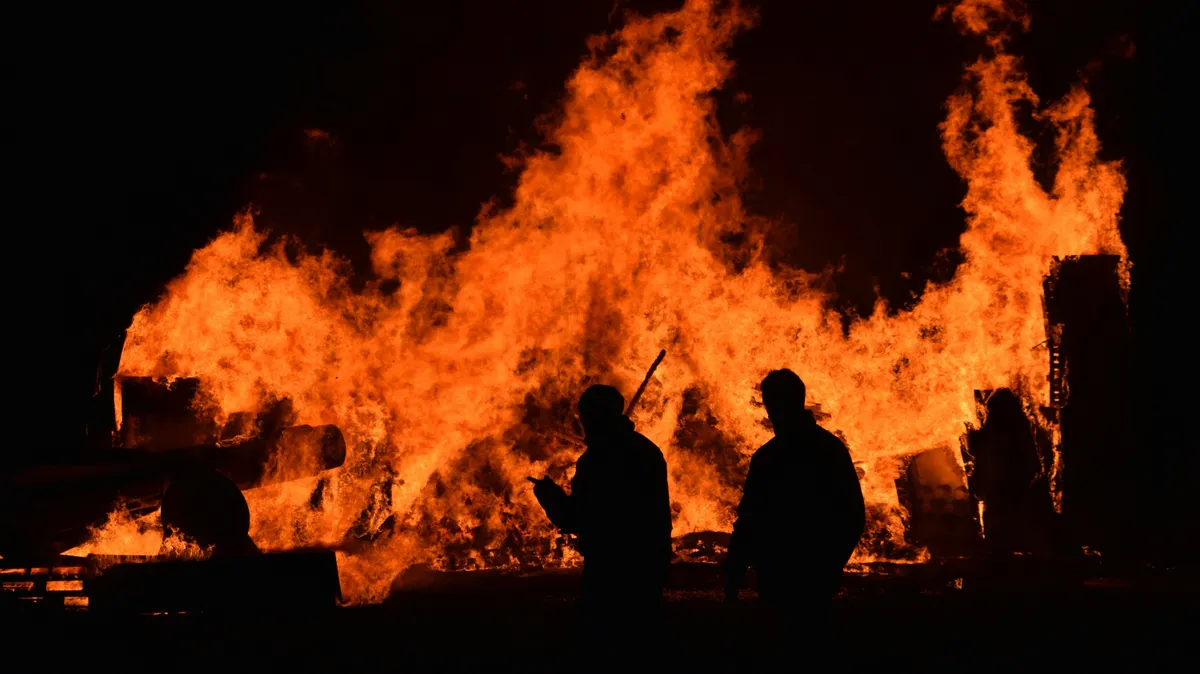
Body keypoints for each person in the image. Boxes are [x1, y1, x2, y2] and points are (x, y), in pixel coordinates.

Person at [530, 384, 672, 657]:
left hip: (609, 565)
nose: (585, 422)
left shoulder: (598, 460)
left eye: (588, 415)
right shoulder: (645, 450)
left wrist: (550, 497)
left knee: (601, 644)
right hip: (648, 561)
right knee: (645, 642)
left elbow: (580, 518)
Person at [725, 369, 864, 631]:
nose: (771, 412)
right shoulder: (828, 449)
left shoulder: (773, 457)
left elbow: (749, 522)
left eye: (773, 403)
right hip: (794, 579)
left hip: (791, 578)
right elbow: (853, 516)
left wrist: (734, 577)